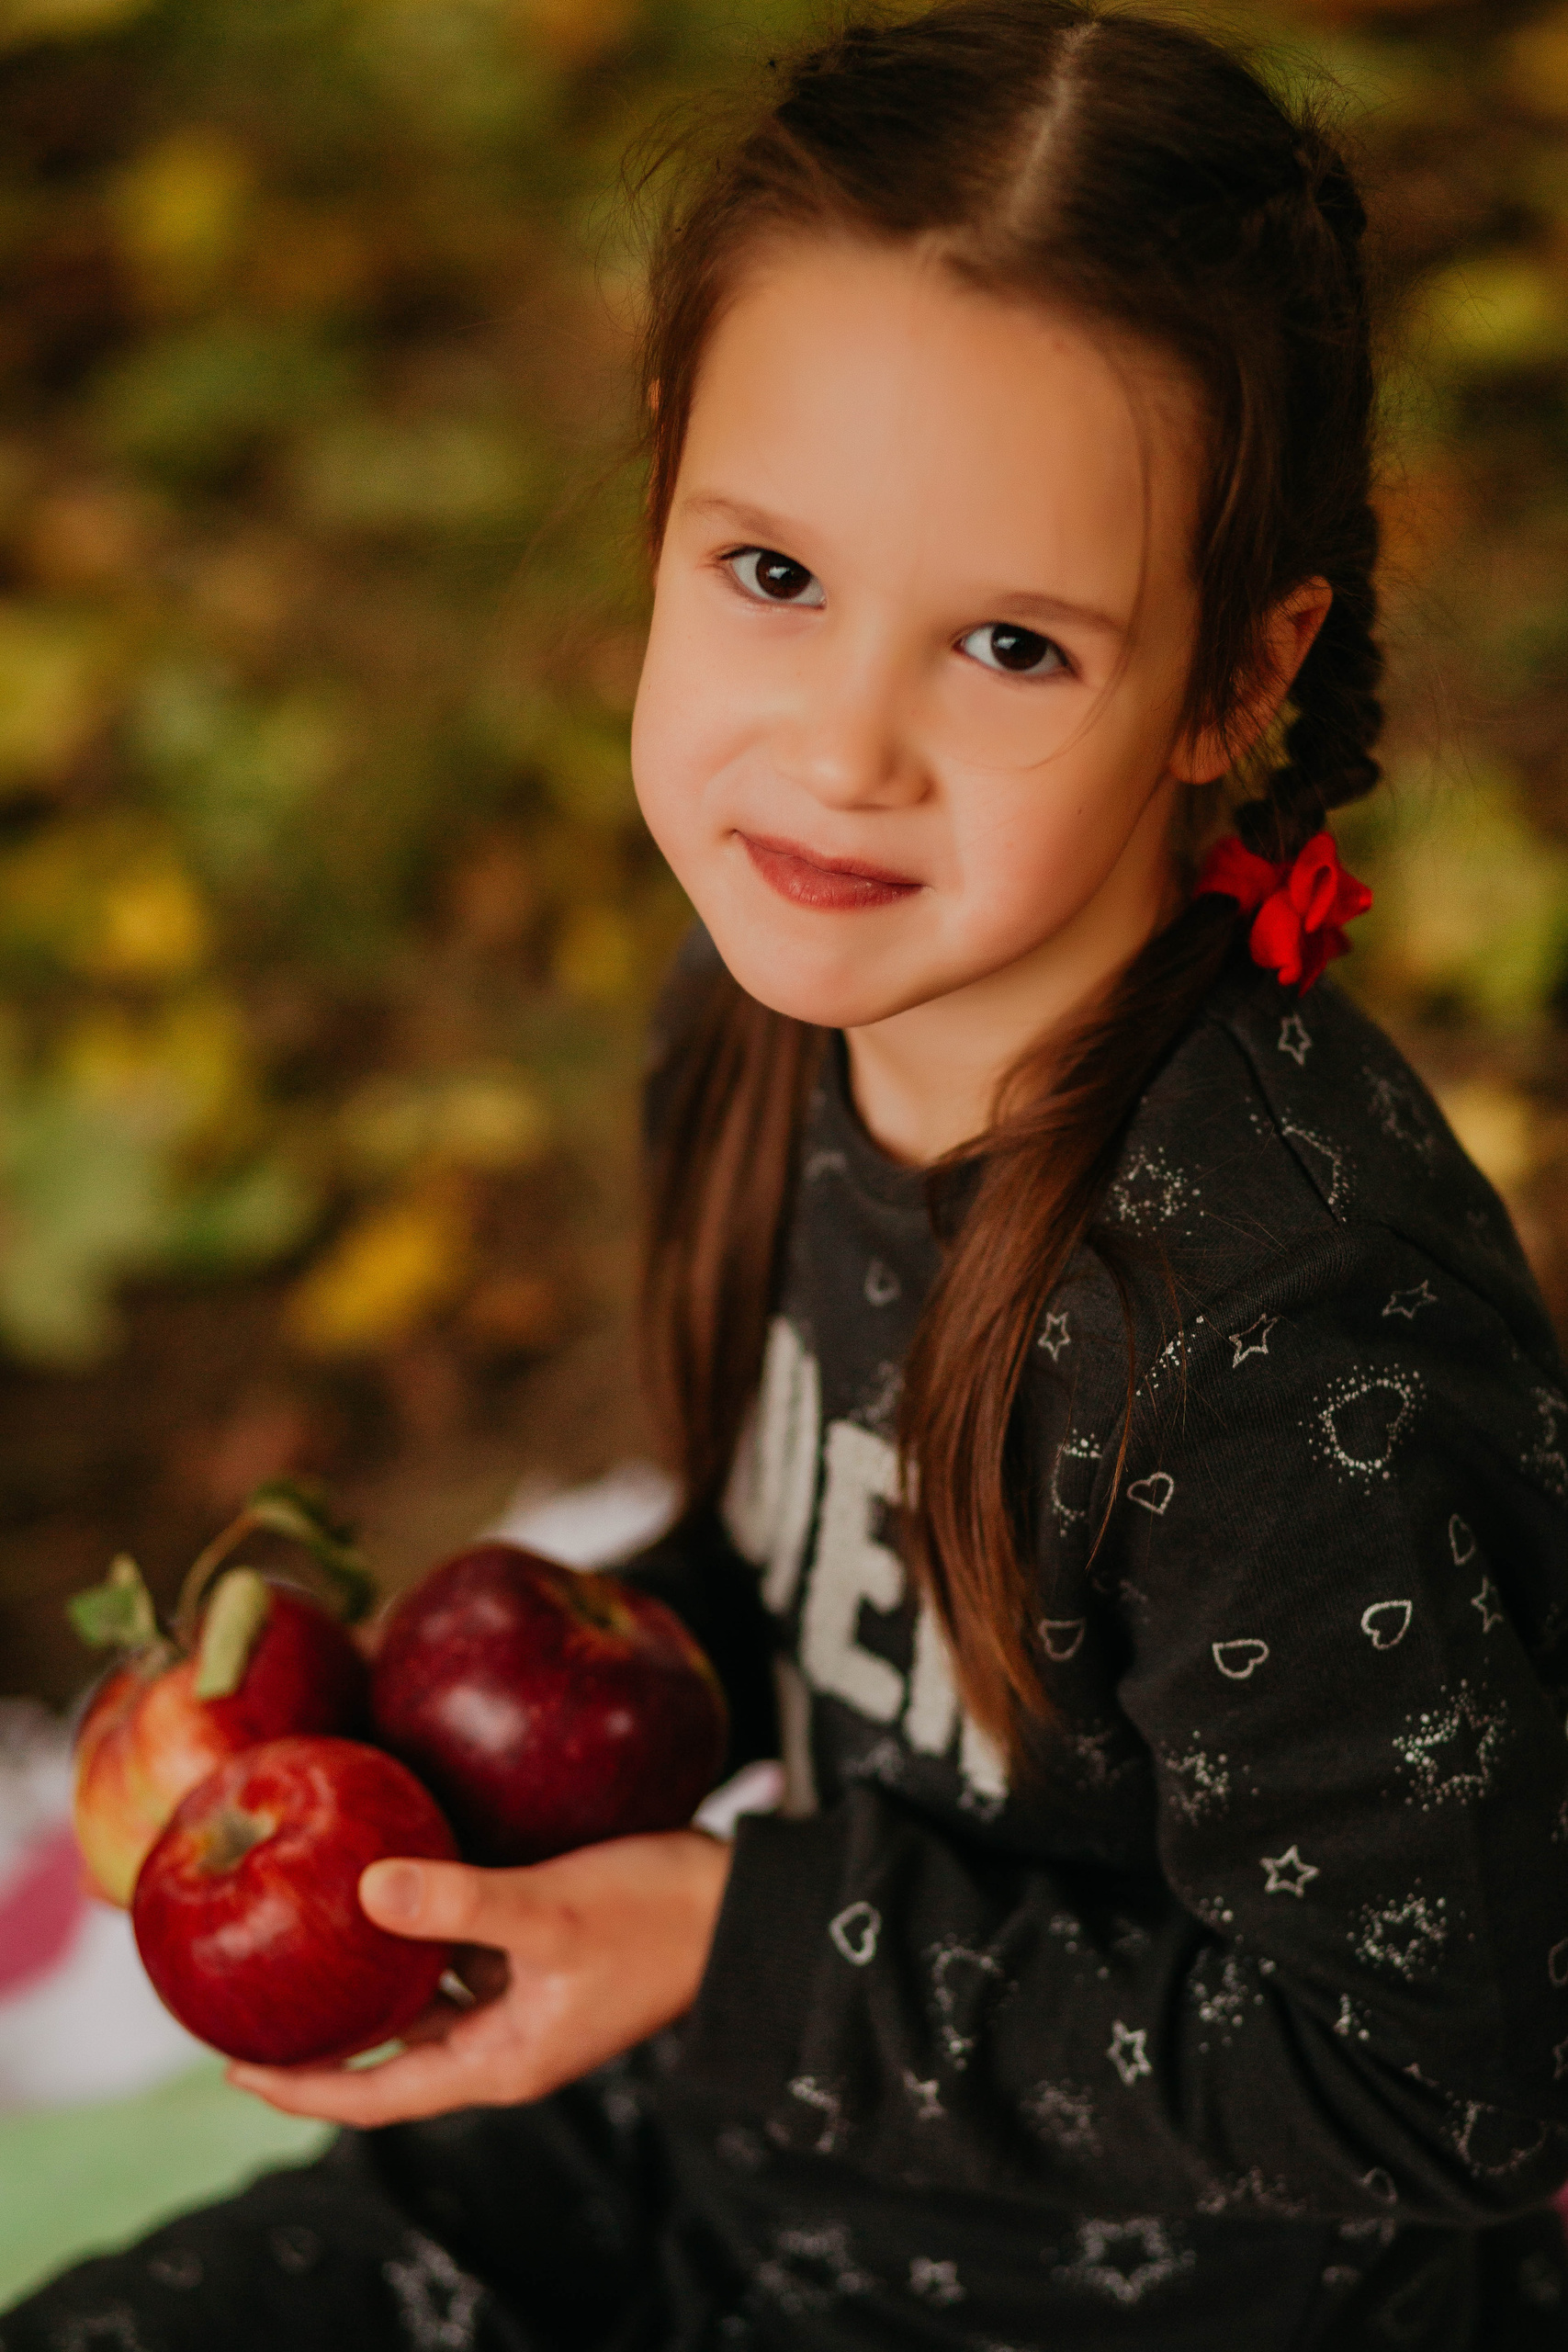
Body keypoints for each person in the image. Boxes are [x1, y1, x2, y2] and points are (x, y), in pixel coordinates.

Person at [10, 5, 1568, 2346]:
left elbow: (1445, 2074)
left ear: (1235, 683)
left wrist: (730, 1944)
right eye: (772, 577)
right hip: (725, 2165)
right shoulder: (760, 1014)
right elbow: (828, 1610)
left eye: (1012, 644)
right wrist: (486, 1726)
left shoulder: (1284, 1318)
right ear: (666, 480)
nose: (841, 750)